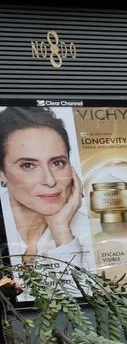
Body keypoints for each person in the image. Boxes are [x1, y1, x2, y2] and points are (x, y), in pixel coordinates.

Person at [0, 105, 94, 299]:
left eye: (57, 163)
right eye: (28, 165)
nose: (50, 180)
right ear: (2, 173)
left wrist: (61, 231)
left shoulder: (92, 230)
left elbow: (87, 309)